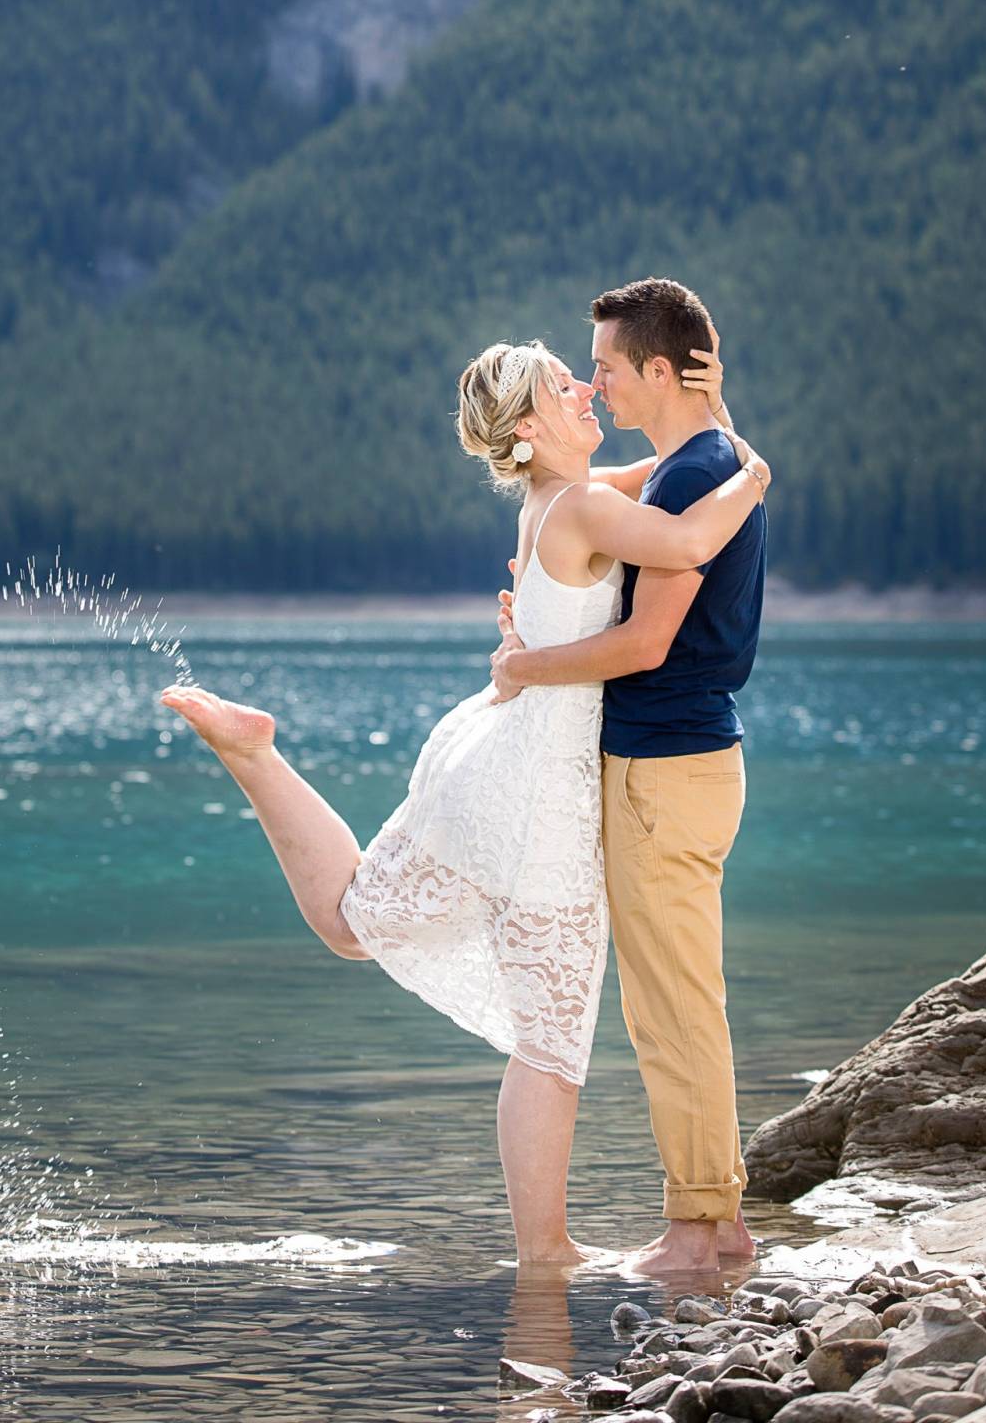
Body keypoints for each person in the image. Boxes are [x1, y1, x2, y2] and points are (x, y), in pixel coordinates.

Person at [160, 334, 770, 1268]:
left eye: (586, 376)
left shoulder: (564, 497)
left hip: (514, 764)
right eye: (564, 386)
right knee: (544, 1035)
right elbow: (690, 532)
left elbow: (677, 463)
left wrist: (716, 426)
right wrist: (757, 473)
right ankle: (546, 1255)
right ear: (528, 426)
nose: (584, 388)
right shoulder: (580, 508)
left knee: (361, 926)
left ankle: (257, 759)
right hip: (535, 795)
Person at [492, 278, 768, 1277]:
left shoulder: (695, 478)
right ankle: (708, 1216)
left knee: (672, 1005)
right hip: (686, 760)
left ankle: (704, 1230)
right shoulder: (702, 459)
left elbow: (646, 642)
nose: (594, 383)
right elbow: (626, 491)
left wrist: (522, 666)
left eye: (607, 367)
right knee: (676, 996)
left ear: (658, 369)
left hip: (663, 769)